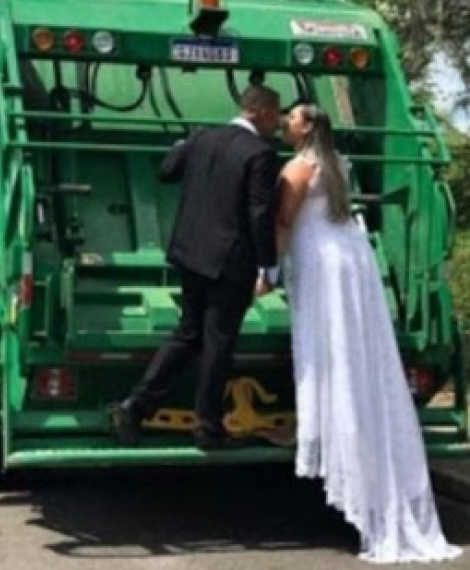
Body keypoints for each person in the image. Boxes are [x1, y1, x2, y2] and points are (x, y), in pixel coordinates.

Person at [277, 103, 462, 563]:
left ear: (306, 128)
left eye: (291, 118)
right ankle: (375, 481)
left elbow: (283, 222)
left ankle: (350, 468)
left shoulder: (299, 167)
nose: (285, 122)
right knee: (356, 354)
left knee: (332, 354)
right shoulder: (340, 163)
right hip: (351, 258)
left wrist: (269, 268)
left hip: (321, 261)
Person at [111, 85, 282, 450]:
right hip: (229, 261)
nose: (278, 122)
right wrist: (268, 266)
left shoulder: (202, 137)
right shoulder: (261, 153)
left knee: (188, 334)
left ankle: (135, 406)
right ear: (262, 112)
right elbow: (259, 213)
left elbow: (167, 172)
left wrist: (181, 146)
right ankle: (207, 426)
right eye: (276, 114)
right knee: (218, 342)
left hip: (190, 253)